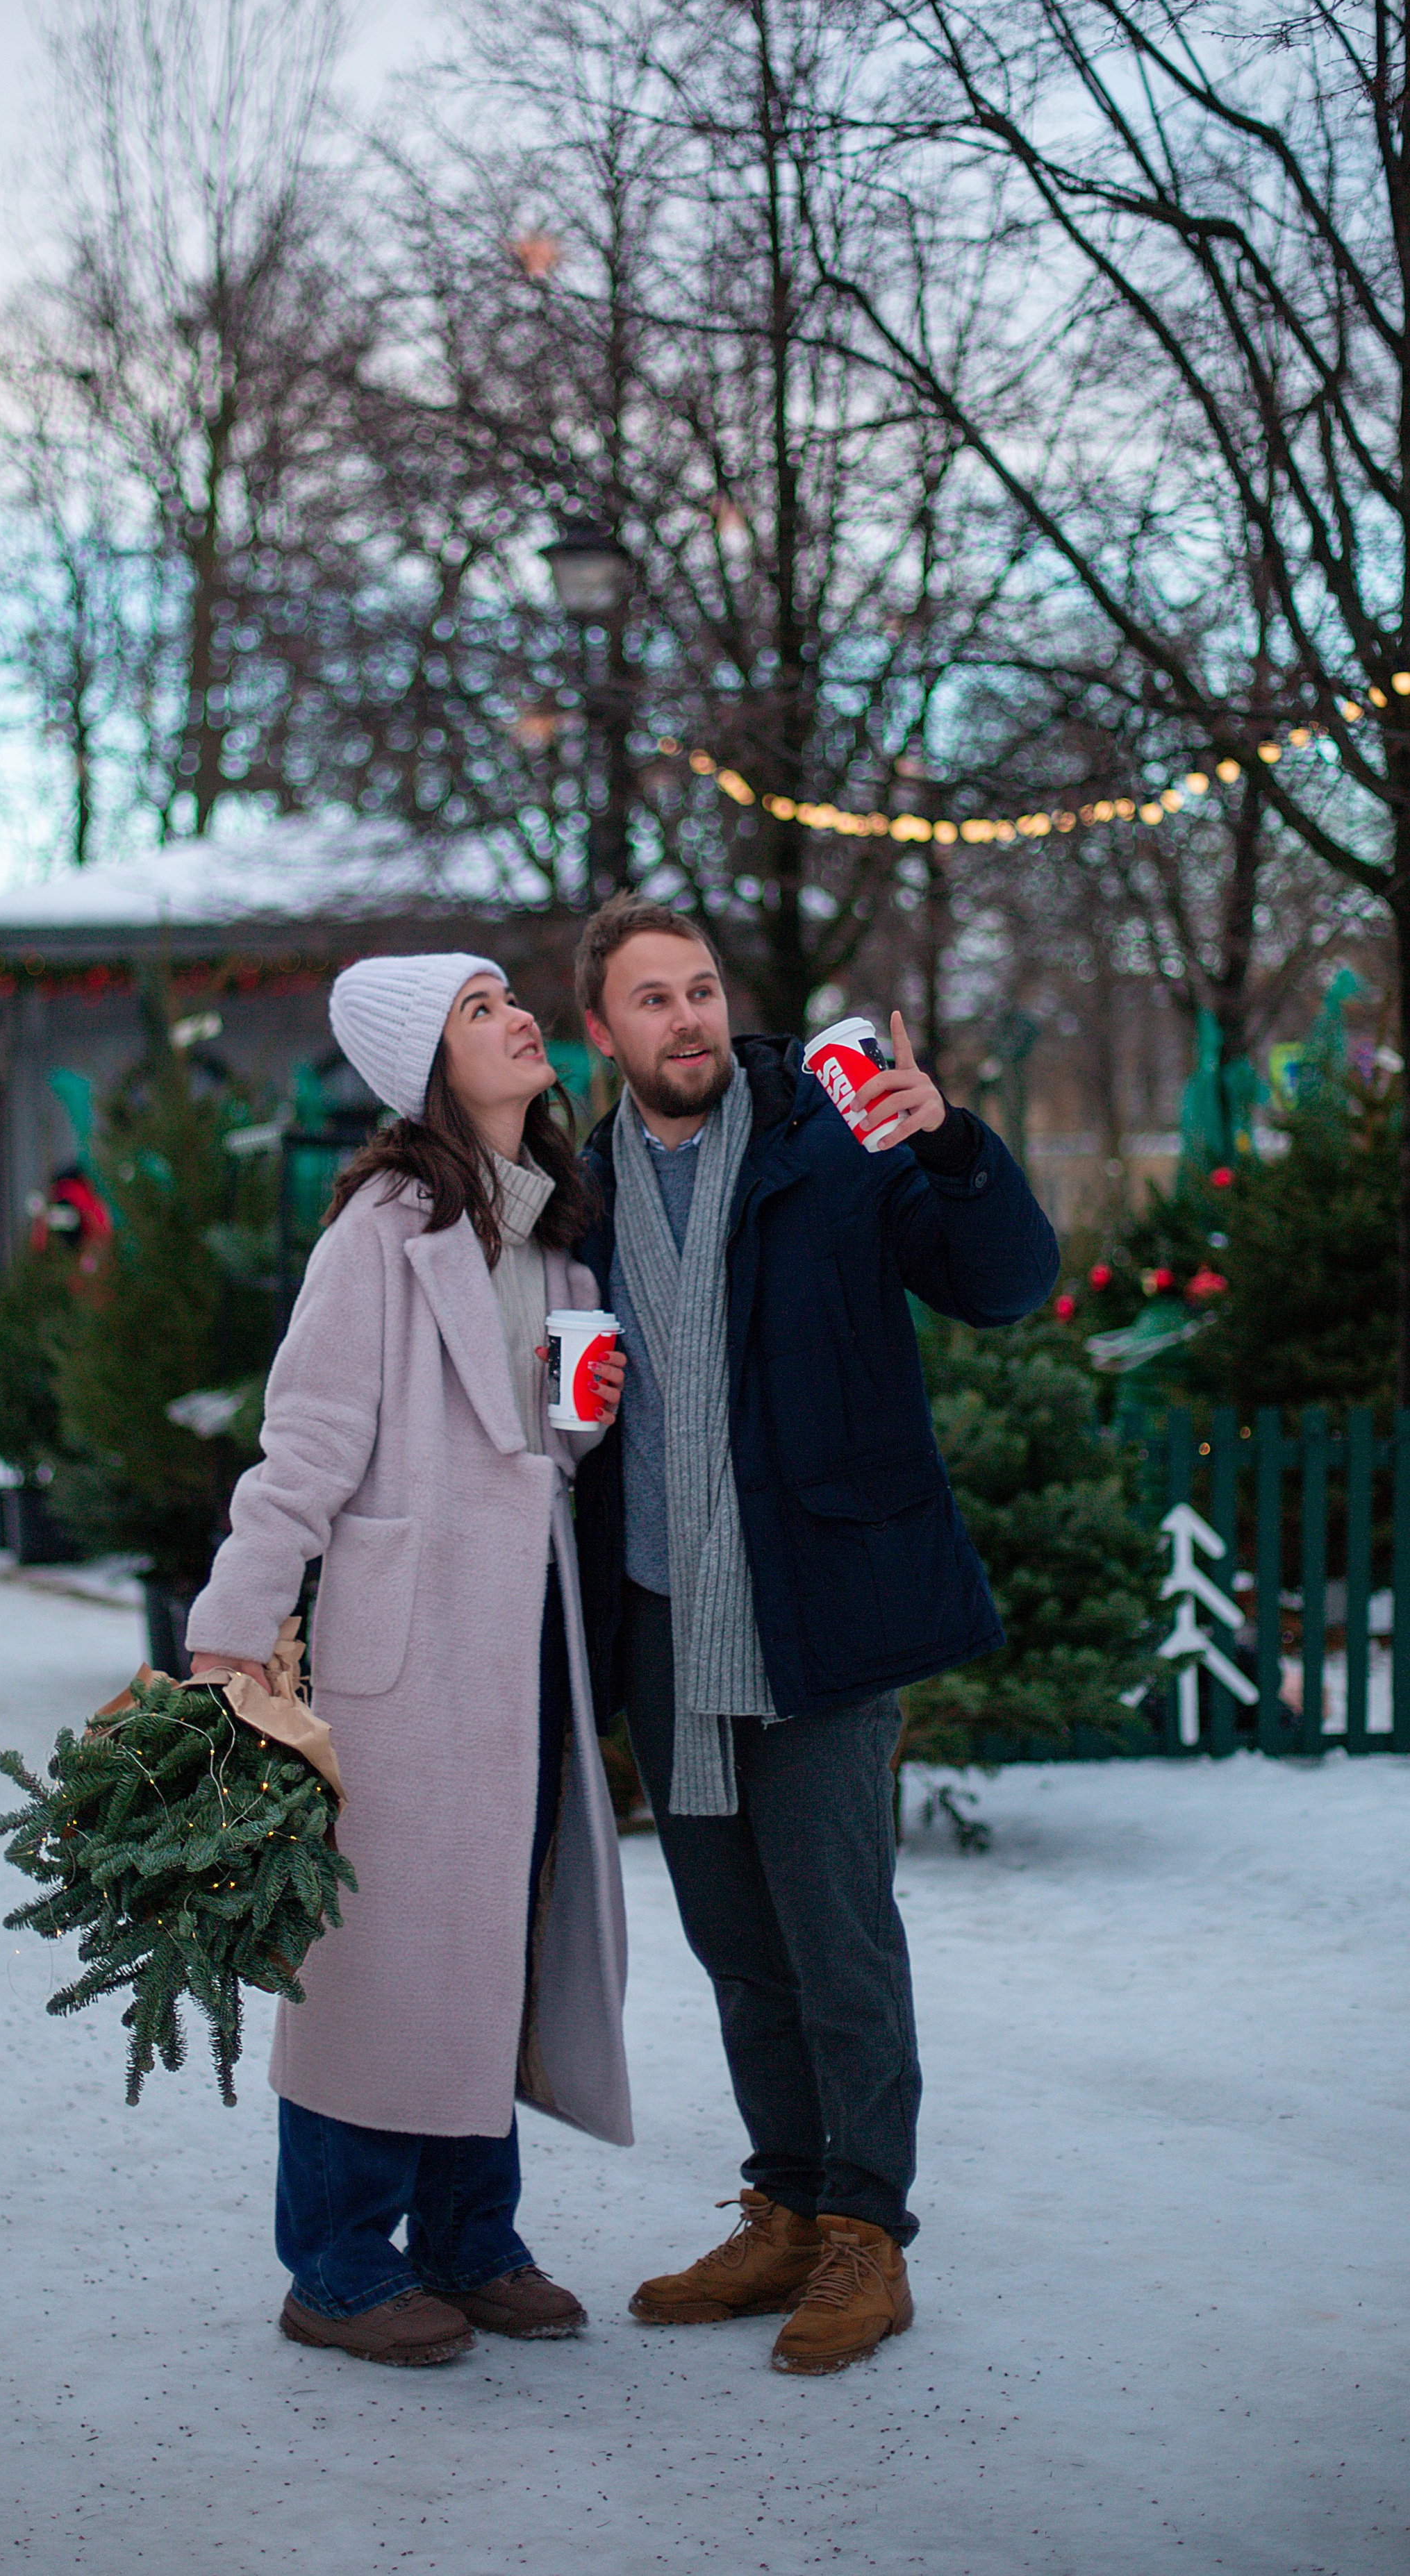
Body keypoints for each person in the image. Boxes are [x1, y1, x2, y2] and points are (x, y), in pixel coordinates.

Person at [572, 896, 1058, 2377]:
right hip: (663, 1617)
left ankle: (866, 2236)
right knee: (731, 1936)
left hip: (822, 1605)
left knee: (835, 1931)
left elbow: (1002, 1286)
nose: (687, 1019)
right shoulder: (573, 1192)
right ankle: (782, 2203)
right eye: (650, 1000)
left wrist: (953, 1149)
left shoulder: (832, 1143)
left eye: (701, 989)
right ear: (600, 1033)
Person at [183, 952, 631, 2368]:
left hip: (519, 1648)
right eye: (479, 1010)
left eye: (512, 999)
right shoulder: (379, 1232)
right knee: (378, 1954)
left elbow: (533, 1451)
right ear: (426, 1063)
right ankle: (335, 2261)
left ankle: (466, 2237)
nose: (518, 1020)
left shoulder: (551, 1231)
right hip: (404, 1645)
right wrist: (228, 1632)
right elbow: (305, 1443)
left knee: (485, 1938)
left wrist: (582, 1419)